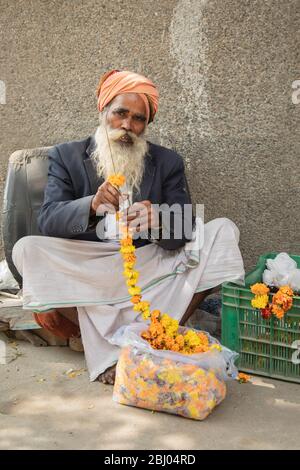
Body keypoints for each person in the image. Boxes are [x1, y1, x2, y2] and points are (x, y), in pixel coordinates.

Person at [12, 70, 245, 385]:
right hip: (90, 267)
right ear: (104, 110)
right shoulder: (66, 155)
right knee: (27, 249)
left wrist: (160, 222)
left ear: (146, 125)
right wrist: (91, 206)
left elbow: (185, 228)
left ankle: (157, 336)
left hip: (147, 263)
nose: (127, 125)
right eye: (120, 113)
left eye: (138, 119)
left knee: (221, 231)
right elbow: (49, 219)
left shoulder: (167, 162)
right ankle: (116, 348)